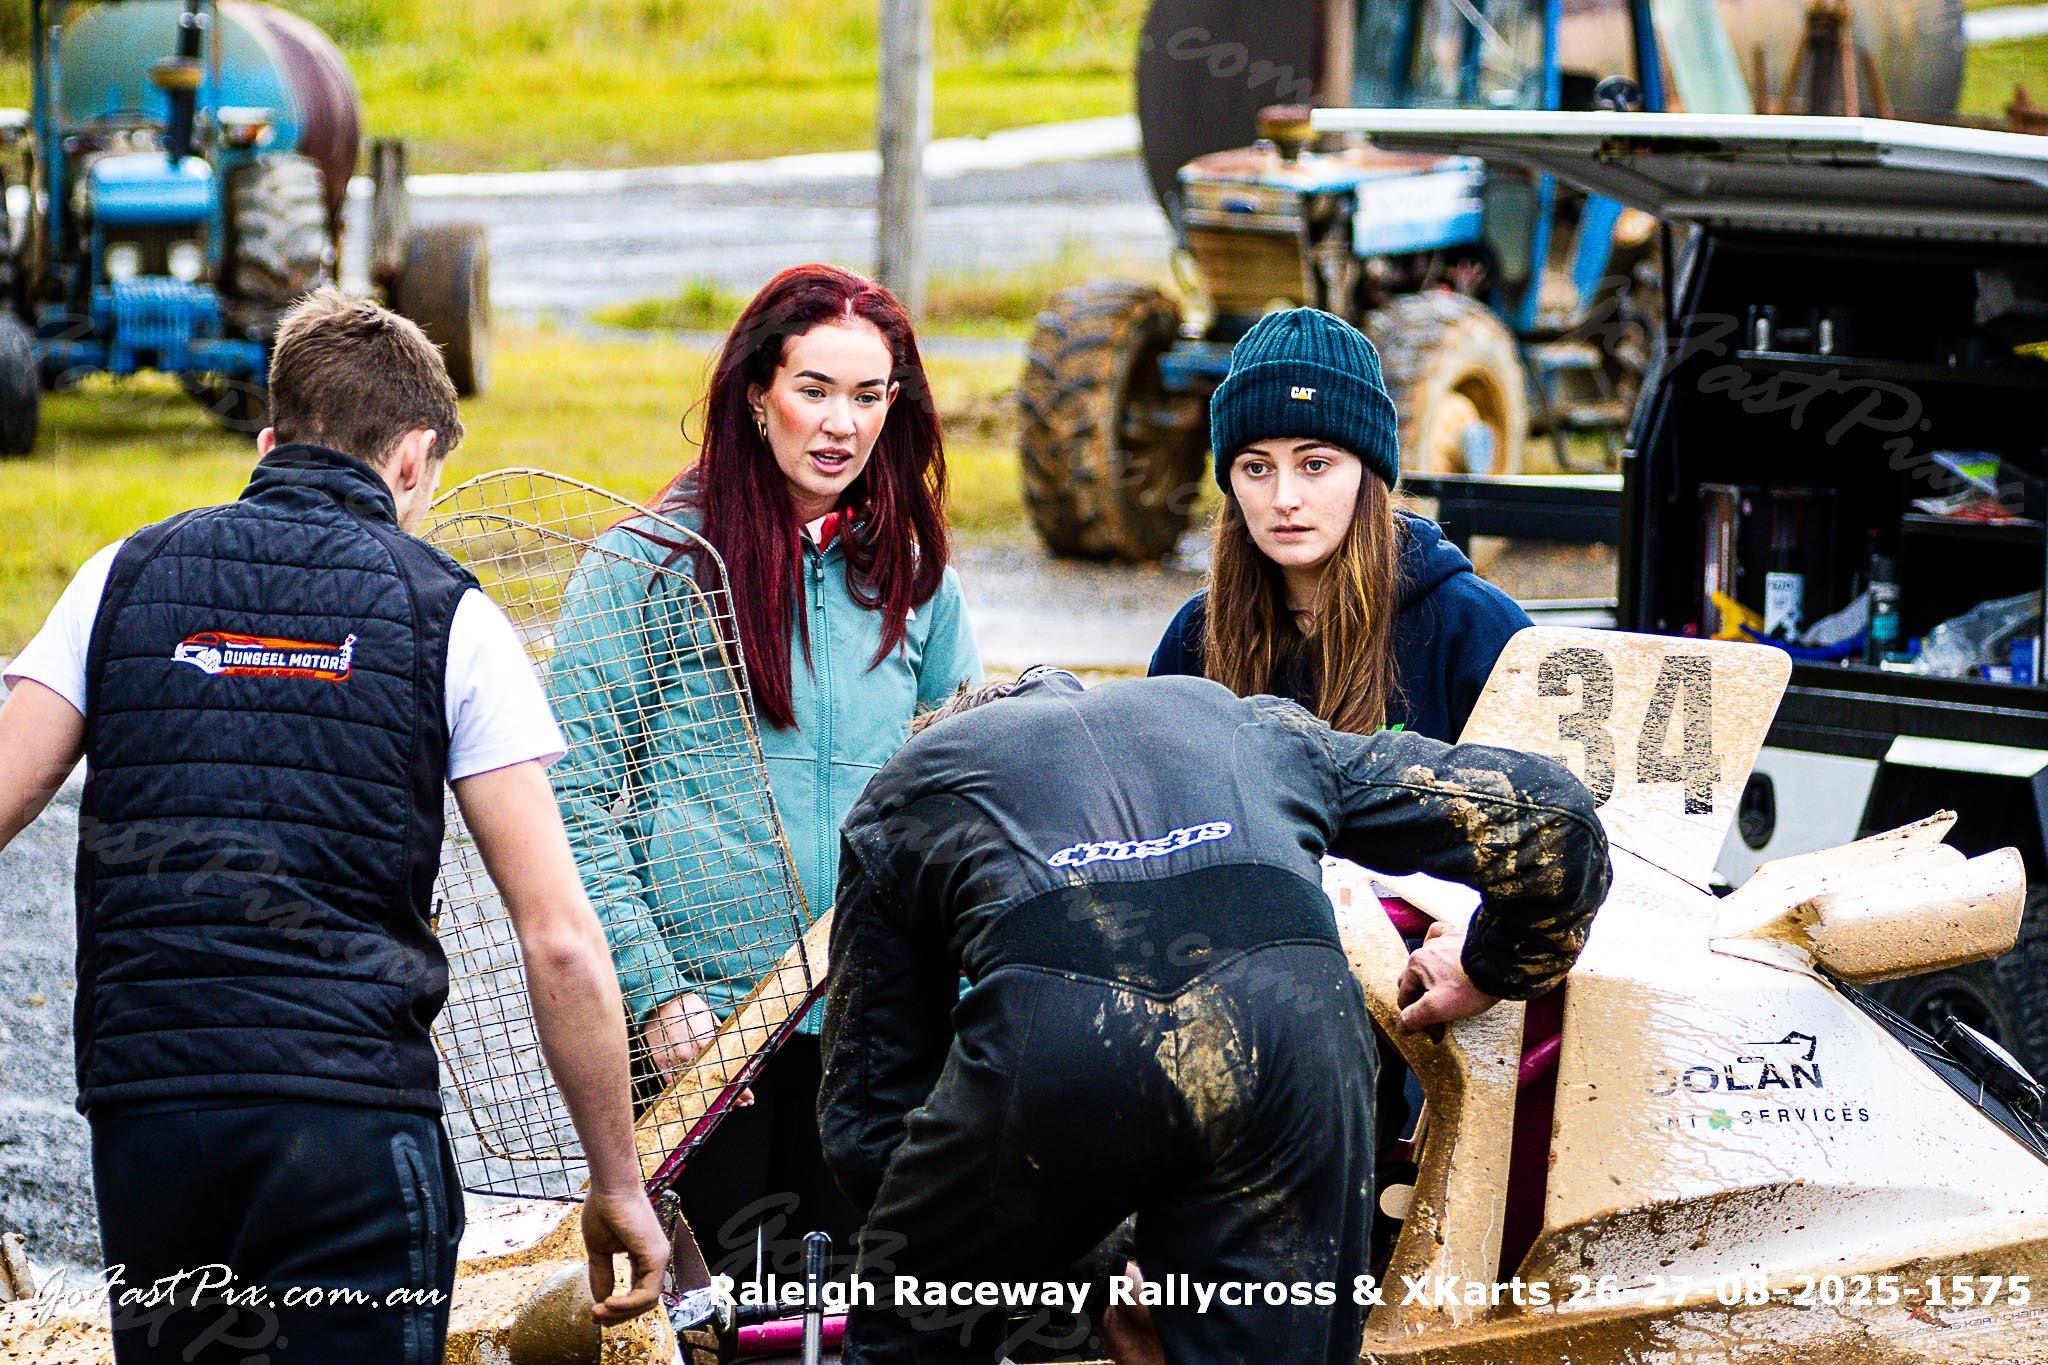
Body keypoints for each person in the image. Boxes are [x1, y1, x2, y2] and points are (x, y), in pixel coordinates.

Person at [0, 289, 667, 1361]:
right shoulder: (450, 614)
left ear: (268, 443)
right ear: (412, 459)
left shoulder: (118, 577)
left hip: (151, 1120)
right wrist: (616, 1181)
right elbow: (557, 937)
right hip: (350, 1120)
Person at [818, 667, 1611, 1365]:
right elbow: (1555, 821)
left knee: (912, 1319)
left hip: (1057, 1039)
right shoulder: (1245, 723)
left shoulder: (905, 790)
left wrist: (1090, 1265)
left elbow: (870, 1125)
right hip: (1294, 1032)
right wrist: (1493, 966)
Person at [549, 264, 982, 1277]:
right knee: (714, 1324)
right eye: (813, 389)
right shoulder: (650, 564)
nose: (840, 424)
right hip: (708, 1038)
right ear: (756, 395)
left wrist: (958, 997)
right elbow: (571, 794)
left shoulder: (920, 579)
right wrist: (657, 994)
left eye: (867, 396)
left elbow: (968, 805)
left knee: (856, 1321)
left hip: (876, 1030)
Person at [1150, 306, 1531, 743]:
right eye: (1257, 468)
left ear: (1368, 475)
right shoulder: (1196, 636)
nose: (1284, 499)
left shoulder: (1477, 631)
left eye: (1314, 464)